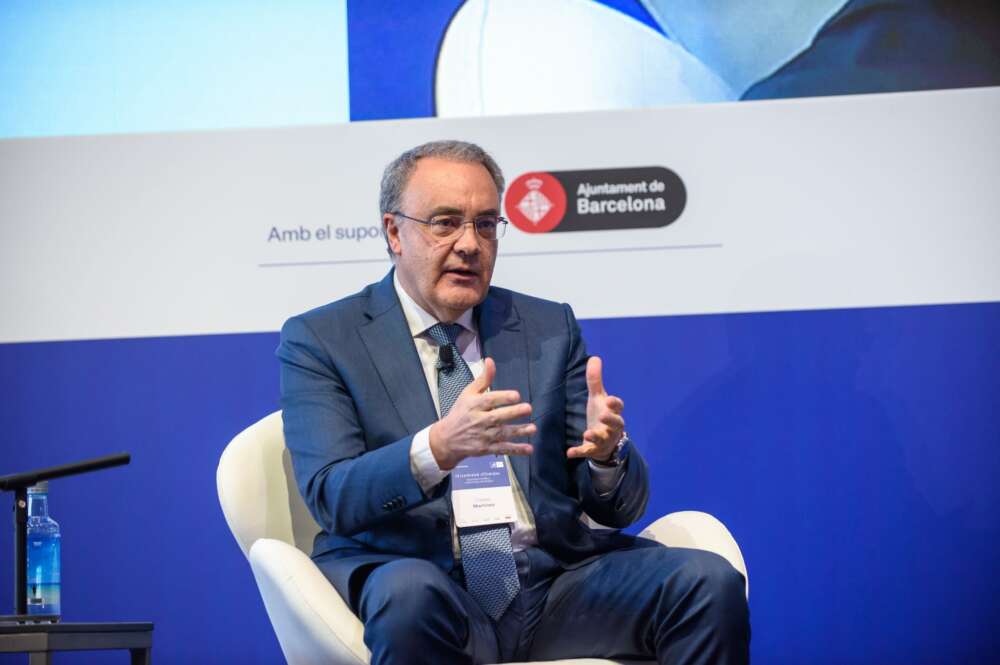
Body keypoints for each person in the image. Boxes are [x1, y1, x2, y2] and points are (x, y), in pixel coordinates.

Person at [276, 140, 749, 664]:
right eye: (445, 222)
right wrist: (438, 447)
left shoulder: (547, 328)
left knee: (707, 581)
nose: (469, 244)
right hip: (424, 582)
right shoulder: (323, 339)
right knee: (409, 596)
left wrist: (606, 458)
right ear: (394, 232)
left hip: (552, 586)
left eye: (485, 224)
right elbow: (331, 493)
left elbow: (619, 509)